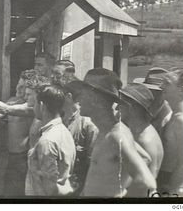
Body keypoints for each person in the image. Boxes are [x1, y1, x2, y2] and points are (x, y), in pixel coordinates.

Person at [70, 68, 156, 197]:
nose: (78, 99)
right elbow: (145, 157)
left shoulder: (116, 136)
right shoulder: (106, 131)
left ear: (94, 98)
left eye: (82, 93)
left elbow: (147, 183)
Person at [25, 84, 76, 196]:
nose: (33, 108)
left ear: (42, 105)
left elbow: (49, 189)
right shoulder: (64, 131)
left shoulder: (47, 140)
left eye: (35, 104)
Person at [119, 83, 164, 197]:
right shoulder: (142, 132)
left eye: (120, 104)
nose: (117, 108)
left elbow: (141, 187)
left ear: (131, 107)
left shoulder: (144, 140)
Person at [157, 69, 183, 197]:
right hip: (168, 180)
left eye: (166, 83)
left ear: (181, 90)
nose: (161, 86)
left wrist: (170, 194)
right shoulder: (175, 114)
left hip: (174, 185)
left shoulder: (182, 120)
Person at [62, 81, 99, 195]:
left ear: (68, 97)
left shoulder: (88, 124)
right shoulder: (60, 117)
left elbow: (92, 162)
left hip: (79, 186)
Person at [133, 67, 172, 135]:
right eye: (147, 90)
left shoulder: (167, 119)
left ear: (164, 93)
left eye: (156, 92)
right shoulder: (145, 108)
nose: (149, 95)